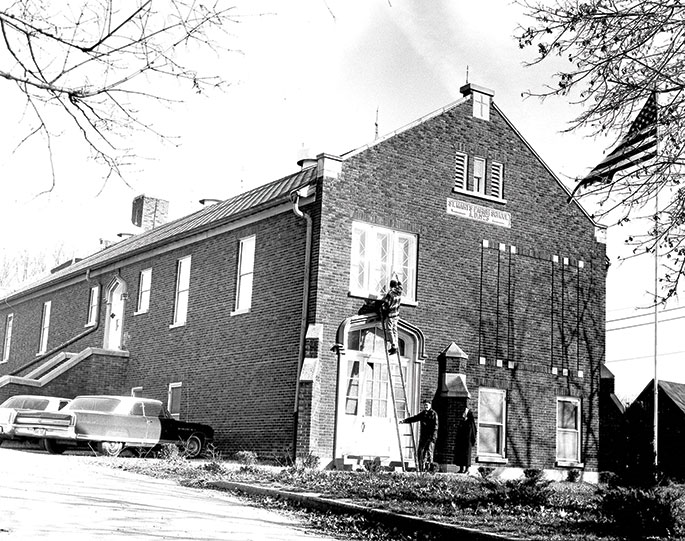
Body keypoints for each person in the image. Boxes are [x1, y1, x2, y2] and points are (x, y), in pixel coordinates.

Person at [400, 400, 439, 472]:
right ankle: (421, 468)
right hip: (424, 436)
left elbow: (435, 427)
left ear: (430, 405)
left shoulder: (434, 414)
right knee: (420, 451)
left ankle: (431, 468)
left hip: (430, 437)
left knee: (429, 452)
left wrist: (433, 437)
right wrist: (405, 421)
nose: (426, 406)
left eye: (427, 405)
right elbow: (415, 418)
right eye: (424, 405)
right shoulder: (423, 414)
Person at [380, 277, 403, 355]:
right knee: (395, 330)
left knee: (389, 330)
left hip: (390, 314)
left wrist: (382, 308)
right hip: (397, 314)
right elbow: (401, 286)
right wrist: (398, 280)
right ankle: (395, 345)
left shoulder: (390, 294)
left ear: (390, 286)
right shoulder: (399, 291)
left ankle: (394, 346)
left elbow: (386, 304)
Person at [454, 407, 477, 473]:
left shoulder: (470, 422)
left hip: (467, 441)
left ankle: (467, 469)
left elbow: (473, 432)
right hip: (461, 441)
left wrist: (472, 440)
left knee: (467, 455)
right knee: (460, 454)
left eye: (464, 413)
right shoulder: (462, 421)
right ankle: (461, 468)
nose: (463, 414)